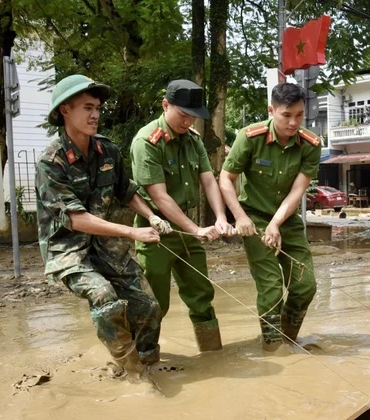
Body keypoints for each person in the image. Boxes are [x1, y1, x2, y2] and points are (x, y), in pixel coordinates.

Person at [36, 75, 163, 381]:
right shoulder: (50, 162)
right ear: (65, 111)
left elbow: (127, 190)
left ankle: (149, 364)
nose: (95, 115)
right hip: (68, 251)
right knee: (103, 294)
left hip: (105, 247)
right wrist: (133, 232)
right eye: (87, 108)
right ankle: (132, 373)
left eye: (97, 108)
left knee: (148, 306)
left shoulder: (108, 151)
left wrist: (152, 216)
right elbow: (76, 219)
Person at [131, 80, 231, 353]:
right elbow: (160, 197)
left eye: (193, 117)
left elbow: (209, 180)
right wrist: (196, 228)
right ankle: (143, 361)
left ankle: (212, 354)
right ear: (166, 105)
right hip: (157, 233)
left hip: (188, 232)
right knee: (154, 303)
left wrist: (221, 217)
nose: (188, 122)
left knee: (202, 296)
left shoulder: (193, 140)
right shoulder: (147, 142)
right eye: (183, 114)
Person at [218, 83, 320, 351]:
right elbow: (225, 180)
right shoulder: (250, 137)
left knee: (305, 285)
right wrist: (239, 218)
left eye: (299, 114)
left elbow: (298, 190)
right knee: (271, 289)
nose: (293, 122)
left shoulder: (310, 144)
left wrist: (276, 223)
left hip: (287, 219)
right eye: (286, 115)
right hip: (253, 219)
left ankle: (288, 339)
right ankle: (273, 349)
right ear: (271, 110)